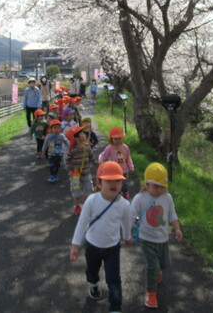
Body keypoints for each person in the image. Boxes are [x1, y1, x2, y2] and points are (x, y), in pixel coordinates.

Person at [70, 161, 132, 313]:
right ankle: (93, 284)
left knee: (114, 280)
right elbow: (82, 223)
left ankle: (115, 307)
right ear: (98, 182)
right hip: (92, 246)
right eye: (109, 180)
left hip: (112, 247)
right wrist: (75, 244)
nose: (114, 184)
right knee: (91, 271)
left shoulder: (124, 205)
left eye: (118, 180)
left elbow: (126, 223)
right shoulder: (92, 201)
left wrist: (128, 236)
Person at [130, 163, 182, 309]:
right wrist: (126, 231)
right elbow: (131, 214)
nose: (159, 190)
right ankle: (150, 292)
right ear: (146, 184)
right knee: (152, 266)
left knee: (164, 263)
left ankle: (157, 270)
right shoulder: (140, 198)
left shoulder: (167, 197)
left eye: (162, 186)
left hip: (163, 239)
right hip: (146, 239)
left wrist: (177, 229)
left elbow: (172, 214)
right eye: (155, 186)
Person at [65, 125, 96, 215]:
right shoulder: (72, 150)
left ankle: (88, 204)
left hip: (86, 173)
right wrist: (69, 170)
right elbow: (67, 161)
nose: (84, 133)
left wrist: (98, 164)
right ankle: (77, 205)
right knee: (76, 191)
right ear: (76, 138)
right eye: (81, 133)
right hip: (75, 175)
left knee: (89, 189)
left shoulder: (87, 147)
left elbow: (92, 157)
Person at [98, 127, 135, 200]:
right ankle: (116, 196)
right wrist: (100, 161)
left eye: (119, 138)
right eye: (115, 139)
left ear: (122, 138)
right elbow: (103, 155)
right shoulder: (110, 148)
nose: (117, 141)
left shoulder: (125, 147)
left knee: (124, 185)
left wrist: (131, 167)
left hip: (123, 170)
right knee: (115, 185)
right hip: (113, 171)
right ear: (111, 139)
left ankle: (125, 193)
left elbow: (128, 158)